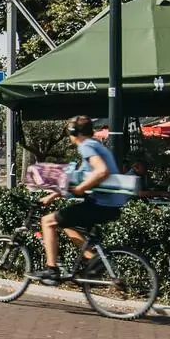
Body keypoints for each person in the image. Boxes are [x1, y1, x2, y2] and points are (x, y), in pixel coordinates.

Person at [37, 116, 133, 285]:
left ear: (75, 132)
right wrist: (52, 196)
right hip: (109, 205)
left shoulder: (86, 146)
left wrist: (80, 189)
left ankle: (51, 270)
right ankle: (93, 258)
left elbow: (101, 172)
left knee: (47, 221)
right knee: (66, 223)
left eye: (70, 132)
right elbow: (77, 182)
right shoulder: (96, 145)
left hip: (101, 205)